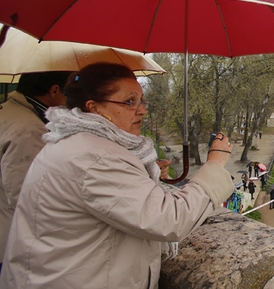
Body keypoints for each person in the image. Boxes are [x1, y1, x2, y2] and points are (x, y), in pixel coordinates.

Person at [0, 63, 234, 289]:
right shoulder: (95, 157)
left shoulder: (78, 142)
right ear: (94, 108)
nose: (142, 110)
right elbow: (168, 220)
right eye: (130, 101)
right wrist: (215, 163)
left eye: (141, 100)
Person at [0, 71, 70, 273]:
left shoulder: (9, 111)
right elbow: (28, 196)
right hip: (9, 241)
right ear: (55, 90)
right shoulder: (30, 130)